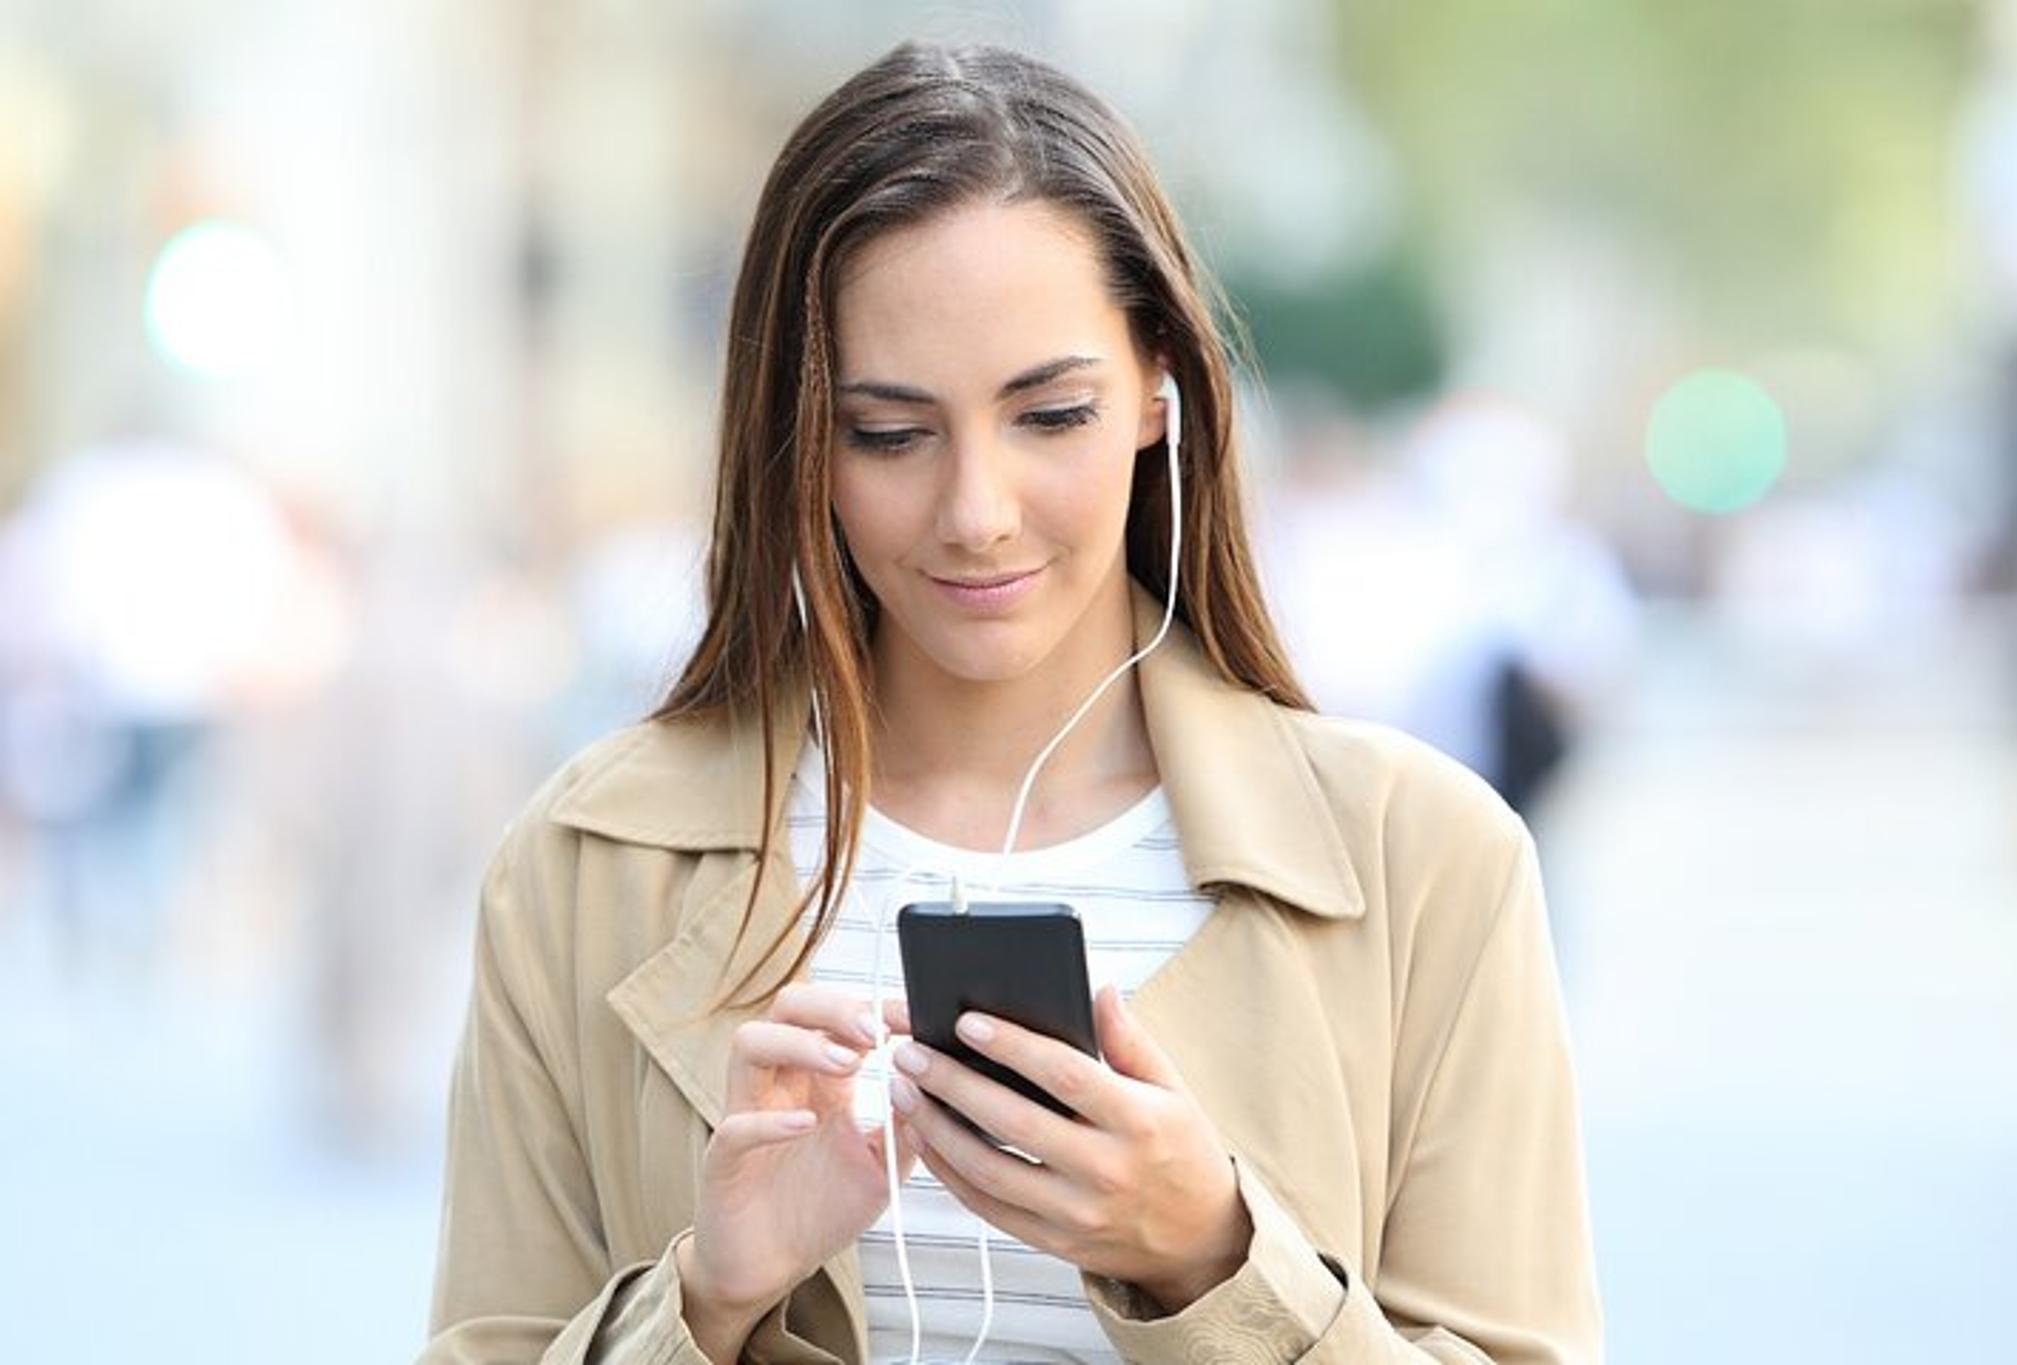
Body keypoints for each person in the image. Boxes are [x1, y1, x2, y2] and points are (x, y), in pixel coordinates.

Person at [422, 39, 1602, 1365]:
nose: (976, 514)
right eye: (888, 432)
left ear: (1159, 385)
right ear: (796, 432)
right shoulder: (587, 866)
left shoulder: (1425, 864)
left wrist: (1214, 1252)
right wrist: (707, 1296)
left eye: (1049, 414)